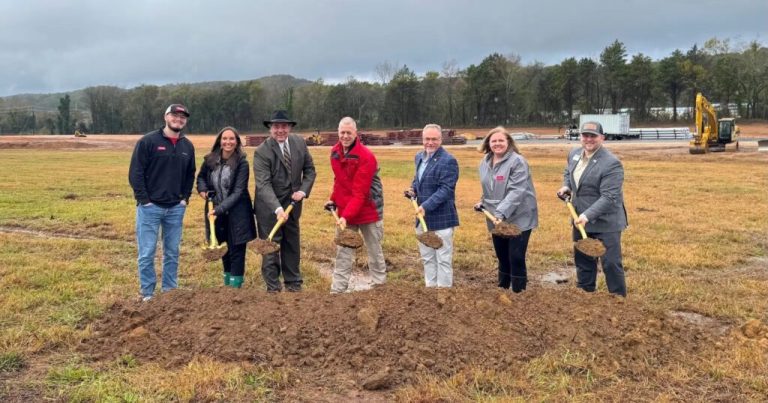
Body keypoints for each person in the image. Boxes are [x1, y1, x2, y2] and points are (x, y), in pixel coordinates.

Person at [128, 104, 196, 301]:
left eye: (183, 117)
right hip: (151, 208)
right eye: (175, 115)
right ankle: (148, 293)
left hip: (175, 208)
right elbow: (136, 173)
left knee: (172, 252)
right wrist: (144, 200)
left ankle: (169, 291)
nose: (179, 119)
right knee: (147, 252)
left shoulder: (187, 146)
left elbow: (190, 174)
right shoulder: (148, 142)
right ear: (166, 116)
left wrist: (184, 199)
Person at [557, 121, 628, 296]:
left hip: (606, 222)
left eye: (593, 136)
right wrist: (567, 187)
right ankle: (585, 296)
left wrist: (587, 215)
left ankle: (619, 301)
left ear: (602, 138)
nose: (588, 139)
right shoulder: (574, 154)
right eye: (585, 135)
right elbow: (569, 173)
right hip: (580, 219)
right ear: (580, 137)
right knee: (583, 261)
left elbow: (610, 197)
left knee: (610, 263)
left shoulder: (611, 163)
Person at [253, 110, 316, 292]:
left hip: (293, 207)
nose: (280, 130)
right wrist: (278, 209)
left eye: (284, 126)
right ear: (270, 129)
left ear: (289, 127)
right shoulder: (262, 152)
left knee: (291, 245)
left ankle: (294, 284)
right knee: (270, 247)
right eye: (276, 127)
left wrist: (303, 191)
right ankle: (273, 288)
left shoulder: (299, 143)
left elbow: (310, 170)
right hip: (269, 210)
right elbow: (263, 185)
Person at [326, 117, 386, 293]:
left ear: (355, 133)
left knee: (374, 251)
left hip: (369, 210)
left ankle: (379, 288)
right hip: (346, 211)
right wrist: (333, 200)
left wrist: (345, 217)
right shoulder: (335, 152)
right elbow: (339, 181)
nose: (345, 136)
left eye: (348, 133)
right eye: (342, 133)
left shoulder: (366, 157)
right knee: (343, 252)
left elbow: (360, 193)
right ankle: (337, 291)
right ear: (338, 133)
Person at [476, 126, 538, 292]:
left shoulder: (517, 162)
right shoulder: (484, 163)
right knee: (502, 256)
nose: (497, 144)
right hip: (496, 218)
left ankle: (519, 293)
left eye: (501, 140)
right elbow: (490, 188)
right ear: (488, 143)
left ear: (508, 142)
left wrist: (500, 212)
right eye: (494, 141)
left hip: (519, 217)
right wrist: (482, 202)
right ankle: (502, 290)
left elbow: (517, 191)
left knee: (516, 256)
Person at [196, 127, 257, 288]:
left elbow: (238, 191)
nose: (228, 142)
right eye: (225, 138)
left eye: (231, 139)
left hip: (237, 213)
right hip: (216, 212)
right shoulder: (210, 160)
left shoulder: (242, 163)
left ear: (237, 142)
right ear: (219, 141)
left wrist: (219, 209)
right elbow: (201, 177)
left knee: (237, 250)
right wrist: (202, 190)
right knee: (224, 249)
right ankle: (227, 287)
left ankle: (235, 287)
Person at [407, 123, 459, 288]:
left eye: (434, 139)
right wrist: (412, 189)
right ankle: (430, 292)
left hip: (442, 218)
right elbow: (418, 179)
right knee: (427, 258)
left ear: (441, 139)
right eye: (427, 139)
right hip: (423, 219)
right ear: (422, 139)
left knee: (443, 259)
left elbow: (446, 189)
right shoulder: (419, 157)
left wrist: (426, 206)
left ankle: (443, 295)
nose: (430, 142)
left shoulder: (448, 160)